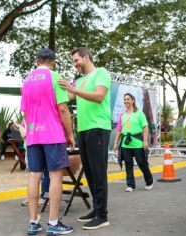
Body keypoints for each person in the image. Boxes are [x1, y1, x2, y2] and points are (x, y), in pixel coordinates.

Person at [21, 48, 75, 235]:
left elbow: (25, 113)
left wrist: (31, 132)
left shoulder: (26, 80)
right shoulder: (54, 76)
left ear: (37, 61)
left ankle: (33, 222)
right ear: (52, 62)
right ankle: (53, 223)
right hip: (52, 134)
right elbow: (62, 109)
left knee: (34, 175)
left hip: (33, 135)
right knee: (55, 176)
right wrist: (69, 134)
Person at [59, 47, 111, 230]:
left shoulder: (101, 73)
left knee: (98, 172)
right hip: (83, 130)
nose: (75, 64)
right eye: (73, 61)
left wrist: (74, 89)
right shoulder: (79, 80)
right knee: (89, 171)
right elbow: (66, 97)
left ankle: (102, 215)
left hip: (98, 128)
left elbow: (99, 96)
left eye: (76, 60)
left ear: (86, 57)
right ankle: (96, 210)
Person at [113, 93, 153, 192]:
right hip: (125, 143)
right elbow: (119, 130)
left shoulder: (139, 113)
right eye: (125, 99)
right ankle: (130, 185)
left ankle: (149, 181)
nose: (126, 101)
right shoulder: (122, 115)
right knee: (128, 164)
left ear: (133, 100)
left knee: (141, 163)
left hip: (137, 142)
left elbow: (145, 127)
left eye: (128, 99)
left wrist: (145, 141)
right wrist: (115, 143)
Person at [18, 119, 50, 207]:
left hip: (43, 146)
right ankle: (31, 198)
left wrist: (27, 131)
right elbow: (24, 134)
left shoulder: (40, 115)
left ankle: (44, 197)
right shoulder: (24, 120)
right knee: (33, 174)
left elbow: (26, 133)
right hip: (31, 148)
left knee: (45, 173)